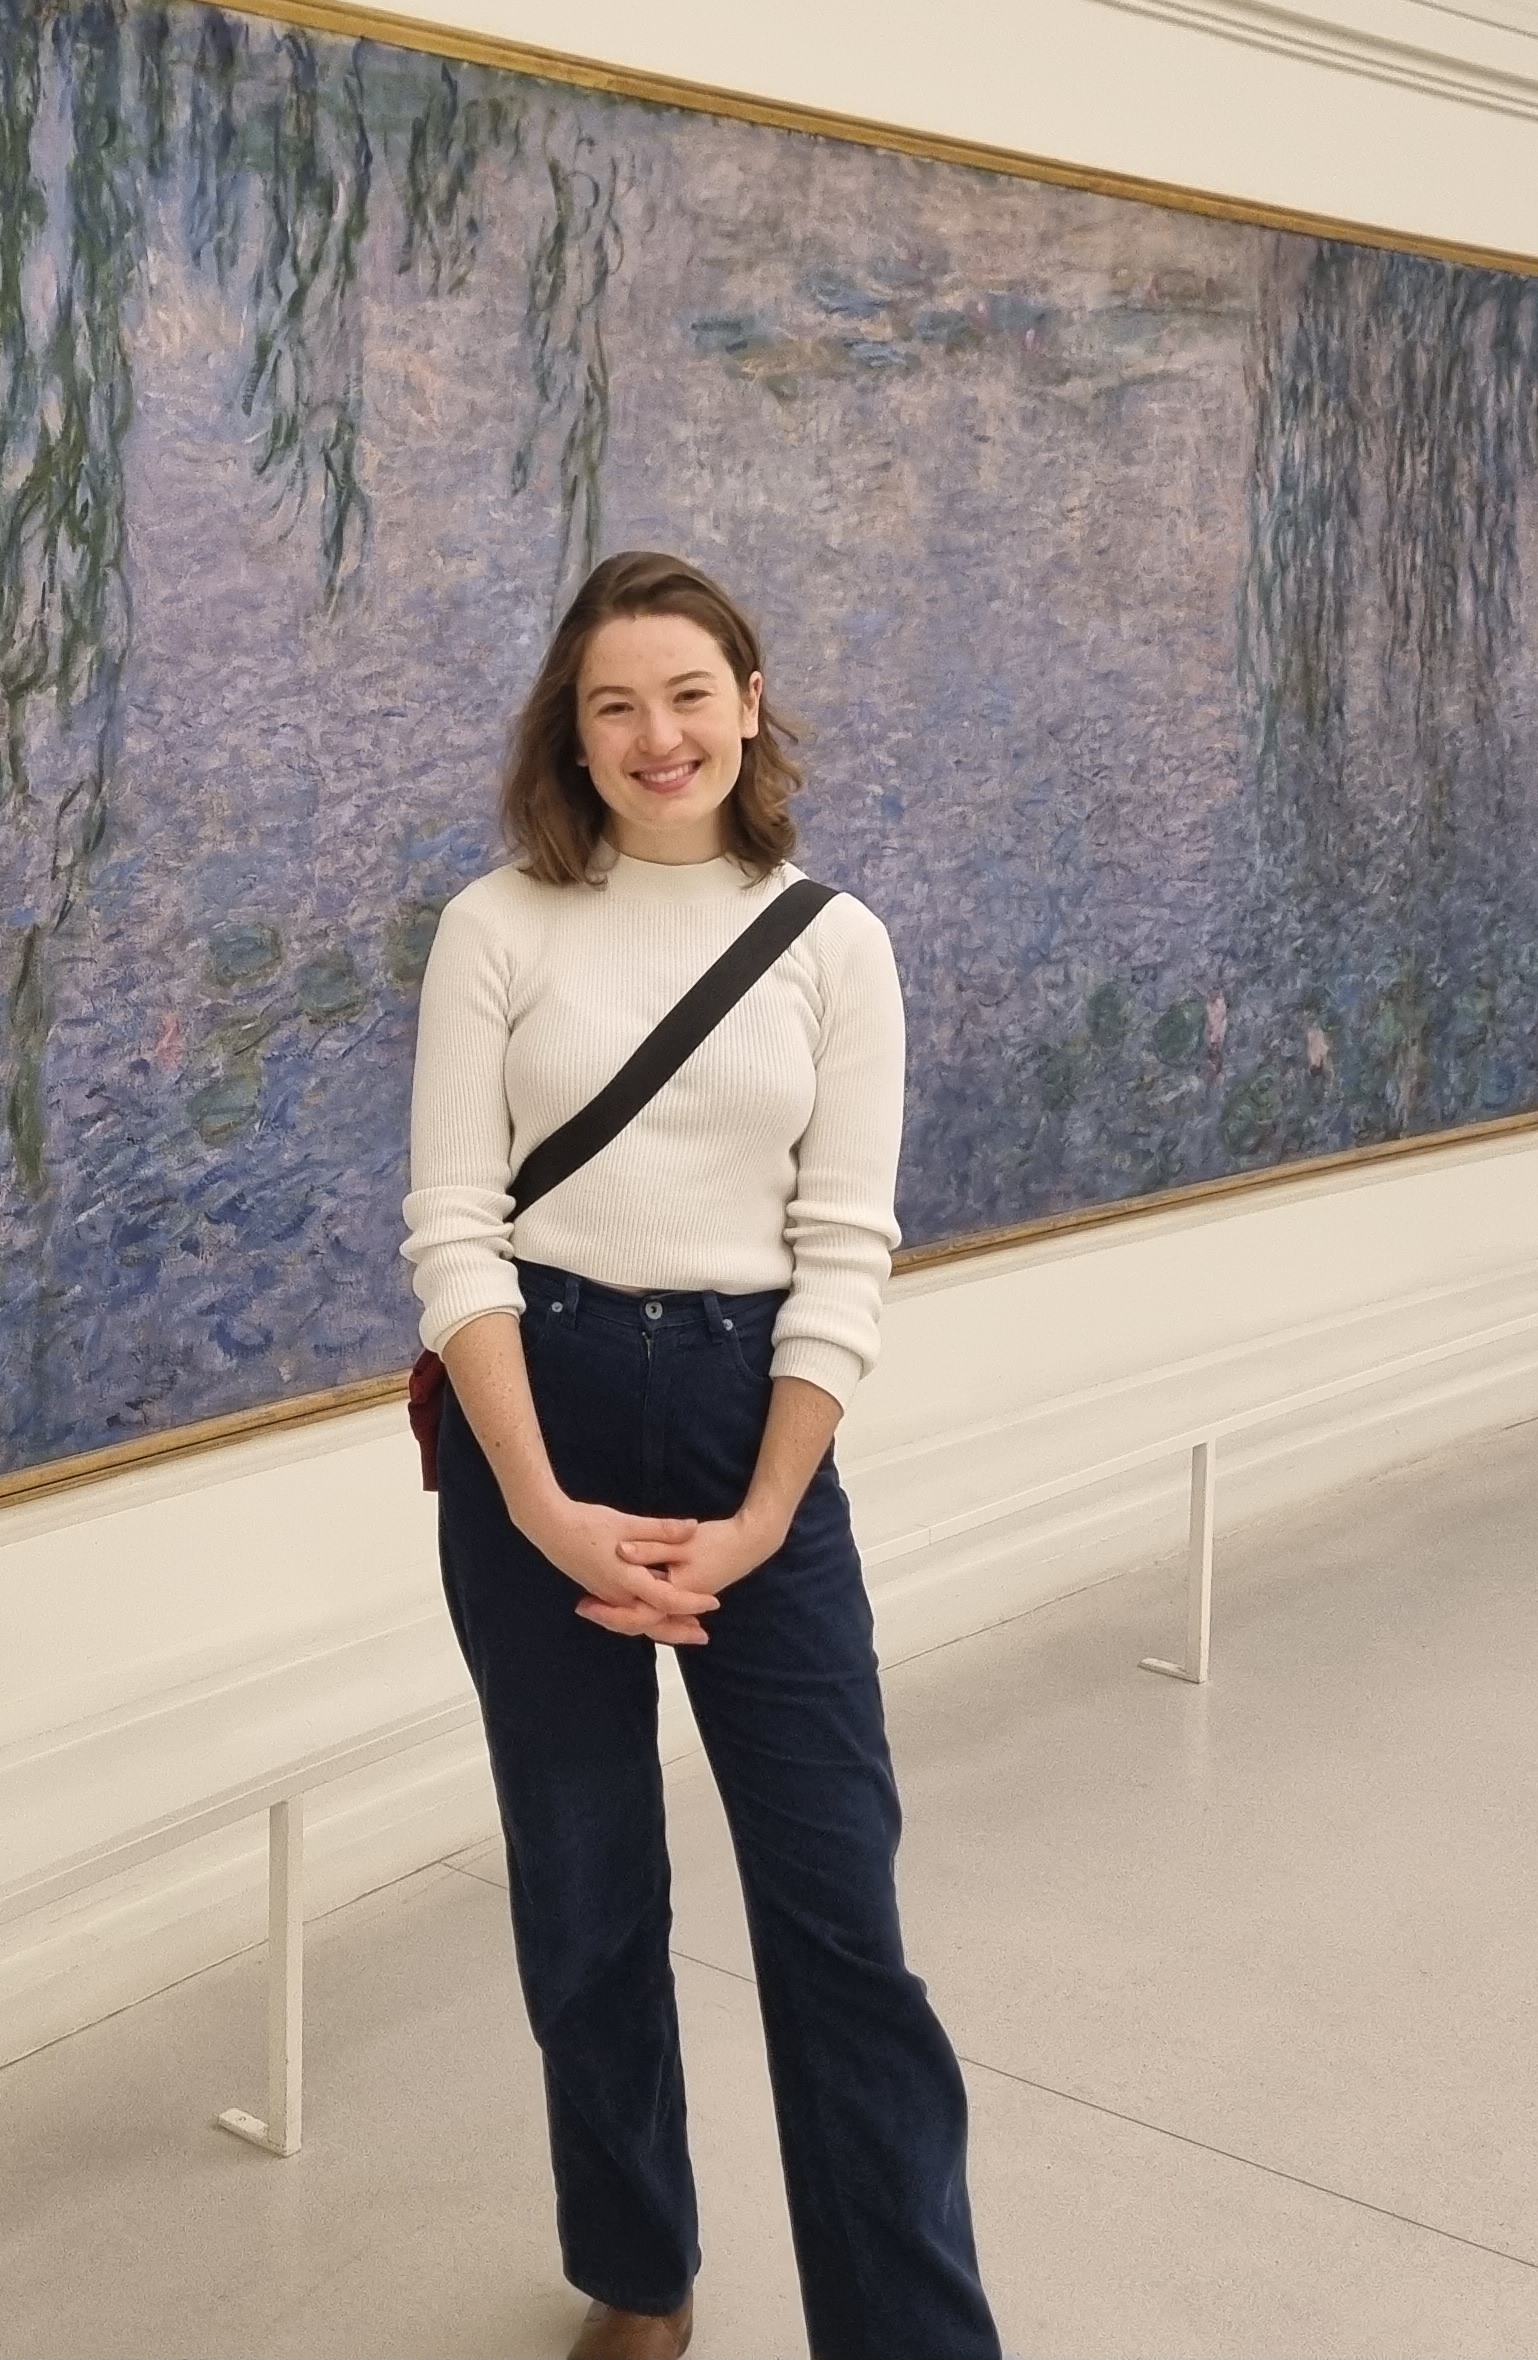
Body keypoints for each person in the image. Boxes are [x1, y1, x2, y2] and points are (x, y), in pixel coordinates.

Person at [404, 549, 999, 2360]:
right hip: (542, 1417)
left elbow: (848, 1246)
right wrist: (538, 1505)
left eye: (688, 694)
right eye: (614, 705)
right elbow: (451, 1234)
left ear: (750, 705)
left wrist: (755, 1521)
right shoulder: (495, 928)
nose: (658, 734)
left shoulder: (838, 946)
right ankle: (639, 2274)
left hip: (762, 1431)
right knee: (587, 1900)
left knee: (840, 1925)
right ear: (571, 741)